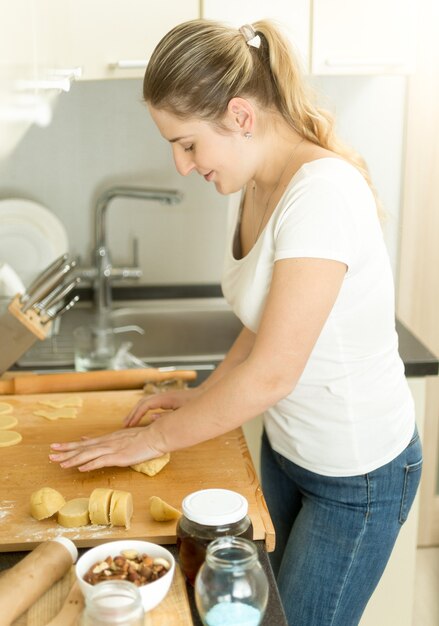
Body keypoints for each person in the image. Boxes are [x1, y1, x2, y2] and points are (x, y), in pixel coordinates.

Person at [50, 19, 422, 625]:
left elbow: (273, 373)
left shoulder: (322, 194)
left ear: (241, 116)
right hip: (287, 453)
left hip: (358, 478)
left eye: (189, 144)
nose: (180, 165)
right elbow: (263, 328)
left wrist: (153, 439)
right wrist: (200, 395)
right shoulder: (252, 185)